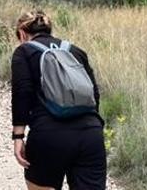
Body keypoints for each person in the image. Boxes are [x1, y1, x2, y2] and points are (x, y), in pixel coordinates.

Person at [11, 11, 106, 190]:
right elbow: (94, 95)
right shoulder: (76, 51)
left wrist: (18, 136)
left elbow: (22, 94)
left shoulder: (24, 51)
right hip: (90, 134)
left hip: (48, 135)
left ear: (23, 33)